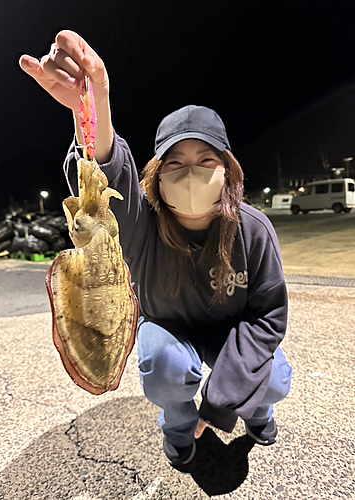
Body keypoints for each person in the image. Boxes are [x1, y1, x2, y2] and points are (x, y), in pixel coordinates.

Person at [20, 30, 292, 469]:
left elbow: (267, 317)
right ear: (155, 175)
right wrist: (91, 103)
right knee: (165, 366)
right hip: (168, 325)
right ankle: (178, 425)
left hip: (229, 330)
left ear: (229, 171)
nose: (190, 174)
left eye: (206, 161)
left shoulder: (253, 230)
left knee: (274, 377)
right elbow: (105, 180)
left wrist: (220, 405)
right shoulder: (141, 223)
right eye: (175, 163)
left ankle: (258, 412)